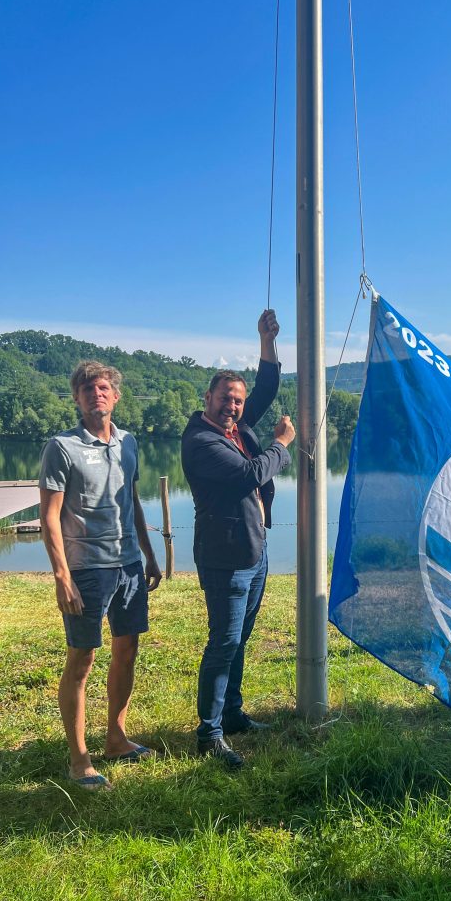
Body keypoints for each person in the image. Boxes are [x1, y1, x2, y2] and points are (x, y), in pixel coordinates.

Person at [39, 361, 162, 791]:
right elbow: (49, 518)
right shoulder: (62, 447)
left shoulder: (128, 443)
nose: (97, 394)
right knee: (83, 659)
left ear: (116, 395)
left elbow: (133, 500)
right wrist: (62, 577)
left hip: (128, 564)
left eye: (104, 387)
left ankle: (115, 738)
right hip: (87, 569)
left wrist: (149, 554)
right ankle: (79, 761)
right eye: (87, 389)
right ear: (77, 398)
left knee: (127, 649)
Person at [181, 309, 295, 768]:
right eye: (225, 397)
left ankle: (232, 714)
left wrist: (265, 341)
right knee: (223, 642)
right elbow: (251, 473)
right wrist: (282, 444)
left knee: (241, 638)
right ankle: (208, 733)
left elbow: (265, 388)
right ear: (207, 397)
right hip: (225, 556)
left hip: (254, 550)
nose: (233, 405)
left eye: (237, 400)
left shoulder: (239, 429)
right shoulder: (201, 441)